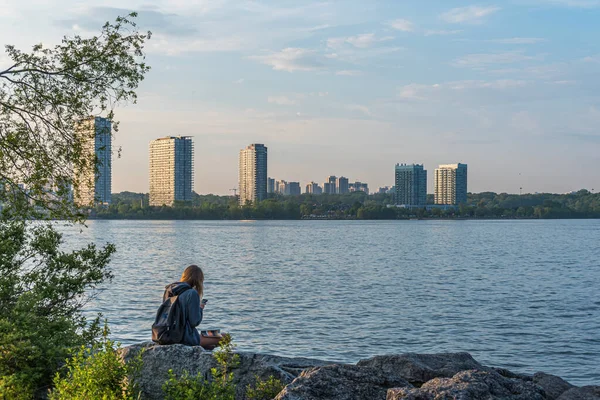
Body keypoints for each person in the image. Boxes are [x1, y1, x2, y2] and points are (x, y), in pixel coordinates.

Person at [162, 265, 222, 349]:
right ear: (199, 280)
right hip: (185, 337)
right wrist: (200, 308)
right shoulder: (192, 293)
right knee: (225, 337)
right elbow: (194, 322)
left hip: (167, 334)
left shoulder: (170, 290)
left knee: (210, 346)